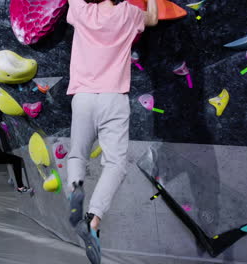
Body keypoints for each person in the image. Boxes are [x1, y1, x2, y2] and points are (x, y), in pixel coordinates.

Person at [66, 0, 158, 263]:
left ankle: (76, 190)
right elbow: (151, 18)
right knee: (115, 163)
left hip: (83, 96)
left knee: (77, 155)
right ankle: (94, 218)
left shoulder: (81, 10)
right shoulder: (129, 13)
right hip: (114, 97)